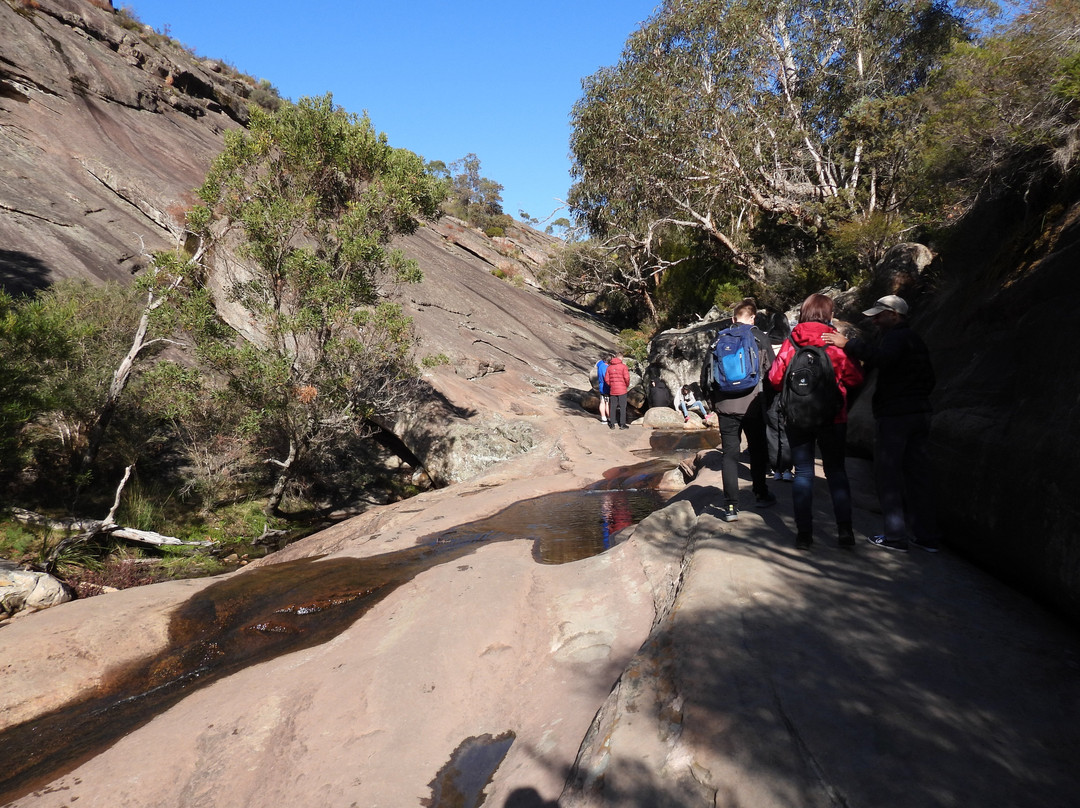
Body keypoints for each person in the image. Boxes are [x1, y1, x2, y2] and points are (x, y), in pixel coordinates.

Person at [823, 294, 941, 553]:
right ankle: (926, 536)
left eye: (879, 314)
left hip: (896, 416)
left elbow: (881, 358)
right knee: (918, 476)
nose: (874, 319)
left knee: (887, 474)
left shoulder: (897, 338)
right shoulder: (916, 339)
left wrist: (847, 344)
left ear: (895, 315)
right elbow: (930, 378)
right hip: (919, 414)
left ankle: (895, 536)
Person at [768, 293, 864, 549]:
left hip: (798, 416)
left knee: (804, 473)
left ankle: (804, 535)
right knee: (836, 471)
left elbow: (775, 379)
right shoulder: (834, 342)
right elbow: (855, 379)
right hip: (834, 416)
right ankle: (845, 533)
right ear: (828, 315)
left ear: (803, 314)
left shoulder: (791, 342)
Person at [712, 298, 777, 522]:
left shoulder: (719, 337)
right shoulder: (760, 337)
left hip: (725, 405)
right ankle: (760, 493)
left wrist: (715, 402)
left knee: (730, 454)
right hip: (753, 405)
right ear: (753, 318)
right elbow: (773, 373)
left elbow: (706, 376)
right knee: (758, 450)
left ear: (733, 319)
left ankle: (730, 506)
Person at [604, 352, 631, 430]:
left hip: (613, 390)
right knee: (623, 407)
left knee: (613, 406)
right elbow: (627, 378)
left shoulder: (609, 367)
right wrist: (626, 385)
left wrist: (611, 385)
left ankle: (612, 424)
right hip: (622, 389)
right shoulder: (623, 367)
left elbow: (606, 379)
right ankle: (622, 424)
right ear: (621, 358)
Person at [595, 356, 610, 424]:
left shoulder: (600, 364)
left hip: (601, 385)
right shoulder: (605, 367)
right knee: (607, 403)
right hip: (606, 387)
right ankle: (609, 417)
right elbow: (606, 377)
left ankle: (603, 417)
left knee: (602, 401)